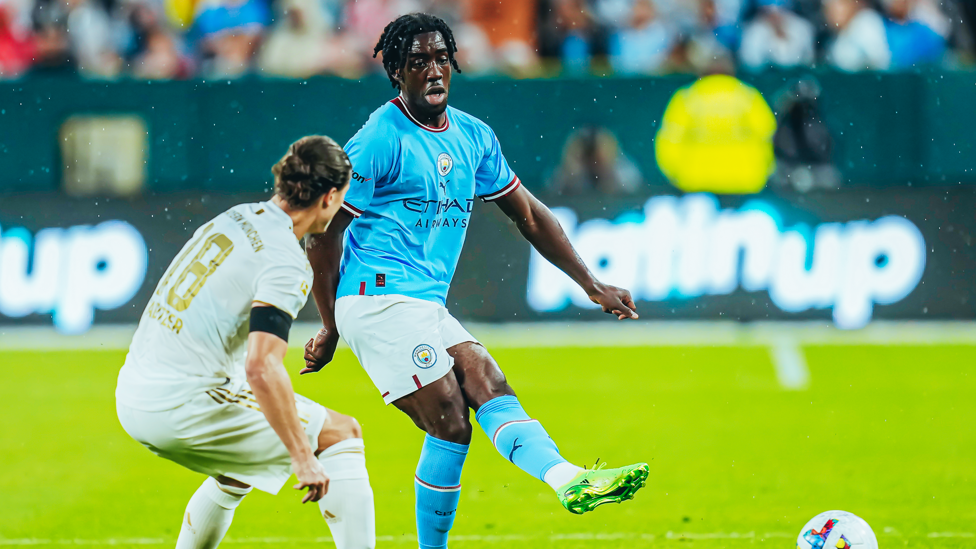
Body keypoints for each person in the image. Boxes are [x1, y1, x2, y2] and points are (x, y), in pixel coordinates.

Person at [302, 13, 649, 549]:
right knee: (450, 419)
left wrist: (590, 283)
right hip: (375, 298)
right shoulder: (379, 138)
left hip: (422, 303)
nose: (434, 71)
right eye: (418, 62)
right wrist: (330, 324)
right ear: (396, 71)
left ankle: (568, 478)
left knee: (488, 383)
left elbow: (529, 215)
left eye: (442, 58)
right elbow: (322, 234)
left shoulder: (473, 136)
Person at [115, 136, 376, 549]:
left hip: (134, 391)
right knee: (342, 435)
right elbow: (263, 366)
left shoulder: (235, 217)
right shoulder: (285, 262)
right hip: (183, 403)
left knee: (235, 473)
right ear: (329, 197)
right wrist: (302, 456)